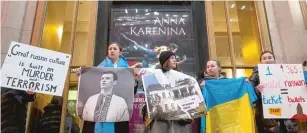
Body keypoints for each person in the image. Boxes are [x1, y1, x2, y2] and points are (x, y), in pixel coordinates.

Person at [80, 42, 139, 133]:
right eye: (110, 49)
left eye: (115, 49)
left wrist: (134, 80)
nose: (112, 50)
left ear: (120, 53)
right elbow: (91, 84)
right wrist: (83, 76)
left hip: (116, 111)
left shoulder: (127, 69)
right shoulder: (99, 68)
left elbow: (131, 92)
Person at [144, 51, 193, 133]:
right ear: (165, 61)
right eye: (172, 58)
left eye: (175, 58)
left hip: (179, 117)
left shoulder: (182, 77)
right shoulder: (153, 75)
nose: (175, 60)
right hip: (159, 117)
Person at [249, 51, 287, 133]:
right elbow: (249, 91)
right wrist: (257, 90)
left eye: (270, 57)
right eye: (264, 58)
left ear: (274, 60)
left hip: (286, 115)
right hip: (267, 117)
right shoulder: (256, 74)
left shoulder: (285, 72)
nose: (267, 60)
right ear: (261, 62)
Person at [197, 59, 226, 133]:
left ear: (219, 68)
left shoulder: (226, 81)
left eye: (212, 66)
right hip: (209, 113)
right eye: (208, 67)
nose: (210, 68)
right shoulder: (201, 82)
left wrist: (244, 82)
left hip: (223, 113)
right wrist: (200, 88)